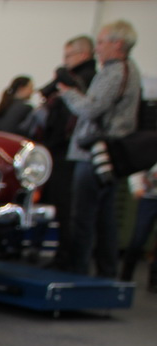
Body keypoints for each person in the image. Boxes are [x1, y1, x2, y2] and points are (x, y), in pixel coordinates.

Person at [59, 20, 141, 278]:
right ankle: (106, 272)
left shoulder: (114, 72)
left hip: (93, 154)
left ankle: (78, 272)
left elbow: (90, 109)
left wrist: (68, 93)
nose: (97, 48)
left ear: (118, 44)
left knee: (83, 217)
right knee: (105, 218)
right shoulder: (129, 70)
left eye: (102, 42)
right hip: (109, 155)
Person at [29, 35, 96, 266]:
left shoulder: (82, 81)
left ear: (83, 54)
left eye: (69, 56)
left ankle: (68, 257)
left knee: (67, 206)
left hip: (67, 151)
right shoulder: (74, 80)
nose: (65, 61)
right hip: (62, 149)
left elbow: (77, 112)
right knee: (62, 205)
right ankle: (65, 254)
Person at [120, 164, 157, 289]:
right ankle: (125, 277)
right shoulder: (149, 152)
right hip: (148, 199)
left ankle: (154, 281)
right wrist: (137, 187)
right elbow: (137, 166)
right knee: (139, 238)